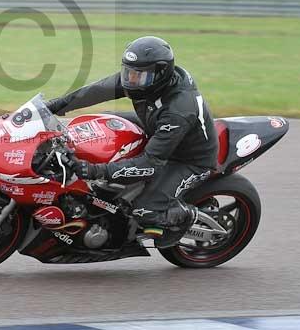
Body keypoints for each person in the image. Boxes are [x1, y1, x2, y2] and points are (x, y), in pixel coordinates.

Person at [46, 36, 218, 248]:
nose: (130, 80)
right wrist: (53, 106)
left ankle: (185, 216)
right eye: (128, 72)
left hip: (188, 159)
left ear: (160, 73)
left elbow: (150, 165)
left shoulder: (178, 109)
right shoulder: (145, 80)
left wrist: (94, 170)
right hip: (156, 126)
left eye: (138, 76)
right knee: (102, 121)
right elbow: (96, 91)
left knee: (144, 210)